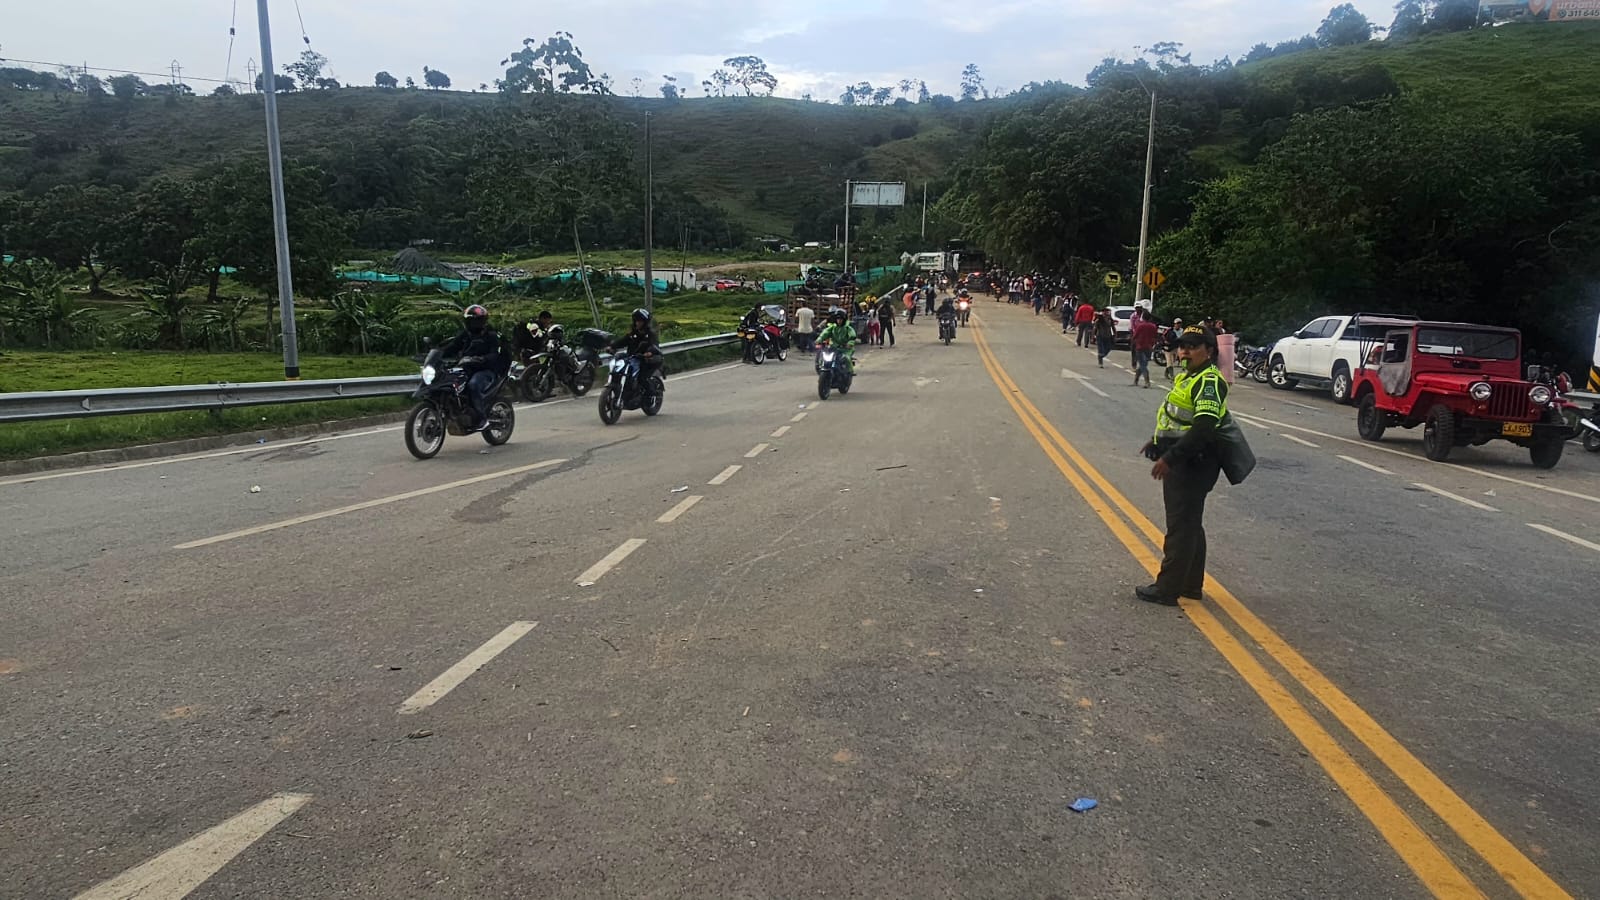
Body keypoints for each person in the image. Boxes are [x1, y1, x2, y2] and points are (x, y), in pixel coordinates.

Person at [1137, 325, 1229, 606]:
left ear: (1210, 351)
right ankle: (1191, 584)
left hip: (1193, 464)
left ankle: (1167, 588)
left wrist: (1170, 458)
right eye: (1181, 346)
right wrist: (1156, 444)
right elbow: (1177, 419)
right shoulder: (1190, 377)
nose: (1184, 351)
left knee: (1180, 526)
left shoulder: (1209, 382)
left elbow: (1203, 427)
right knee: (1190, 523)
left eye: (1192, 346)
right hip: (1185, 460)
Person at [438, 304, 508, 432]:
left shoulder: (491, 335)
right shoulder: (465, 334)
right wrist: (437, 353)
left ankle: (482, 419)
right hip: (466, 368)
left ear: (482, 321)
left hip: (486, 371)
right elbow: (453, 346)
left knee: (473, 385)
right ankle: (455, 411)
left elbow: (494, 354)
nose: (473, 323)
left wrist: (482, 359)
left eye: (475, 320)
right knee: (449, 383)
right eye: (470, 320)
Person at [609, 308, 663, 395]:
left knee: (642, 378)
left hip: (644, 360)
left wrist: (649, 353)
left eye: (640, 321)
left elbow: (654, 345)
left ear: (645, 322)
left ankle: (651, 394)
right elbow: (623, 341)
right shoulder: (633, 334)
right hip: (632, 358)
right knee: (618, 371)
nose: (637, 323)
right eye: (636, 321)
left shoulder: (650, 334)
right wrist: (611, 346)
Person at [814, 307, 858, 373]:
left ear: (844, 319)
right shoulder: (832, 327)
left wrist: (850, 343)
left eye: (841, 319)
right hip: (834, 347)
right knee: (825, 355)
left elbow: (852, 337)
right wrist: (819, 339)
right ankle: (822, 367)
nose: (839, 321)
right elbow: (825, 333)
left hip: (845, 349)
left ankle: (850, 372)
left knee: (847, 358)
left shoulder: (848, 328)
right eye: (838, 319)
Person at [1131, 314, 1160, 388]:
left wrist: (1133, 342)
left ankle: (1147, 382)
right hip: (1149, 347)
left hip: (1140, 347)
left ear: (1143, 318)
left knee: (1143, 365)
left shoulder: (1140, 325)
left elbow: (1135, 335)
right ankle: (1136, 380)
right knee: (1143, 364)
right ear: (1150, 318)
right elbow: (1156, 336)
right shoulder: (1153, 326)